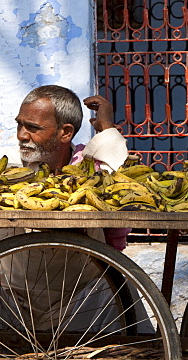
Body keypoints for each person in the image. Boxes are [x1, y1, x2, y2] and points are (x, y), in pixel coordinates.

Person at [15, 85, 130, 249]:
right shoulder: (8, 162)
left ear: (66, 133)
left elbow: (123, 185)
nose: (21, 135)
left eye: (33, 128)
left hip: (84, 270)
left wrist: (106, 127)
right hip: (14, 272)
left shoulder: (89, 165)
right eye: (19, 125)